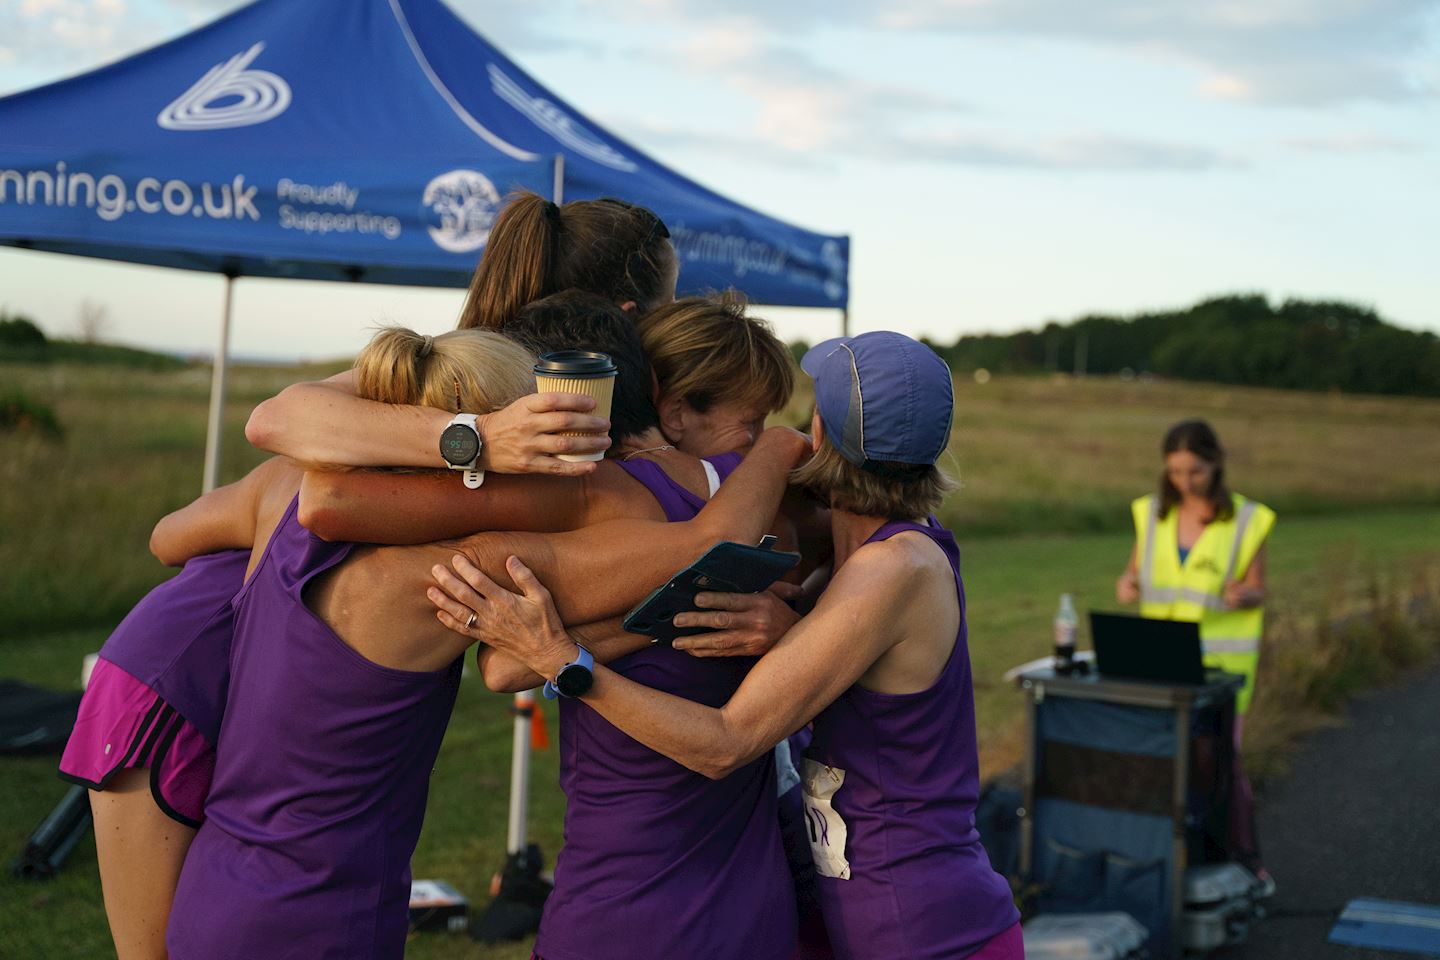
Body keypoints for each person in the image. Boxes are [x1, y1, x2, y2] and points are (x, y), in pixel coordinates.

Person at [157, 324, 809, 958]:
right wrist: (778, 448)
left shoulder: (283, 492)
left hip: (214, 885)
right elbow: (703, 546)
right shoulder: (449, 575)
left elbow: (168, 537)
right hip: (322, 914)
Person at [430, 332, 1024, 960]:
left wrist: (561, 660)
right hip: (878, 917)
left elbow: (726, 743)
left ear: (818, 432)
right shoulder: (878, 554)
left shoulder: (895, 568)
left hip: (925, 931)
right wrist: (791, 629)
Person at [56, 326, 541, 960]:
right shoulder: (432, 569)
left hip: (166, 704)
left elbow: (167, 539)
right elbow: (514, 657)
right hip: (179, 713)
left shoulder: (294, 483)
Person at [243, 191, 677, 477]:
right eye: (671, 305)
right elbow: (273, 420)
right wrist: (479, 438)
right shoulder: (465, 366)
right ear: (628, 315)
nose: (677, 321)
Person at [1115, 418, 1275, 883]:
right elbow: (1134, 572)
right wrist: (1127, 584)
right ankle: (1175, 866)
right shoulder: (1151, 513)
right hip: (1158, 664)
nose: (1184, 482)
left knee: (1220, 767)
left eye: (1195, 472)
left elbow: (1260, 589)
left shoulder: (1248, 520)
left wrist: (1245, 594)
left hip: (1220, 670)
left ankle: (1246, 863)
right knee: (1167, 766)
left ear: (1216, 465)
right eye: (1176, 472)